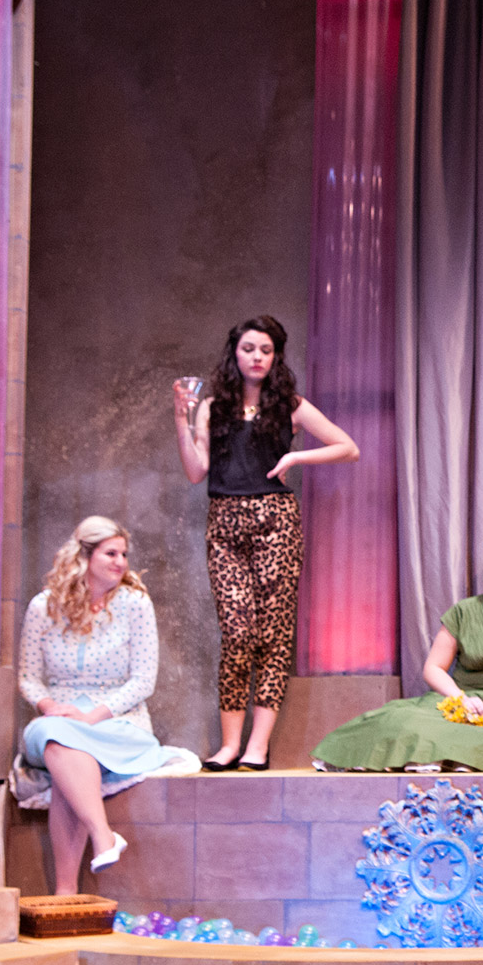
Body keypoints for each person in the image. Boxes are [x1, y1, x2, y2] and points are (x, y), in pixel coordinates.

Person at [173, 315, 358, 770]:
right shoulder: (212, 407)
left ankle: (257, 746)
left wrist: (295, 455)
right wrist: (181, 417)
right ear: (234, 353)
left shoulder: (290, 405)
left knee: (272, 636)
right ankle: (229, 745)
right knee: (237, 633)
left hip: (276, 520)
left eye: (266, 350)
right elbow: (196, 471)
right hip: (225, 522)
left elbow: (347, 447)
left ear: (276, 357)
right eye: (248, 348)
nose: (257, 357)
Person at [312, 529, 483, 772]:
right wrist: (462, 699)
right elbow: (433, 668)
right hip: (459, 705)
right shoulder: (464, 612)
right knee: (402, 721)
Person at [17, 517, 191, 895]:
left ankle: (65, 892)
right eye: (111, 553)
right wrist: (49, 705)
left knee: (68, 753)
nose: (121, 562)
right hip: (58, 719)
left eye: (124, 554)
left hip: (119, 723)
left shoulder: (135, 604)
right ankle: (103, 835)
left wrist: (91, 717)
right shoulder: (43, 606)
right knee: (57, 736)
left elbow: (143, 681)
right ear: (85, 556)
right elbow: (28, 677)